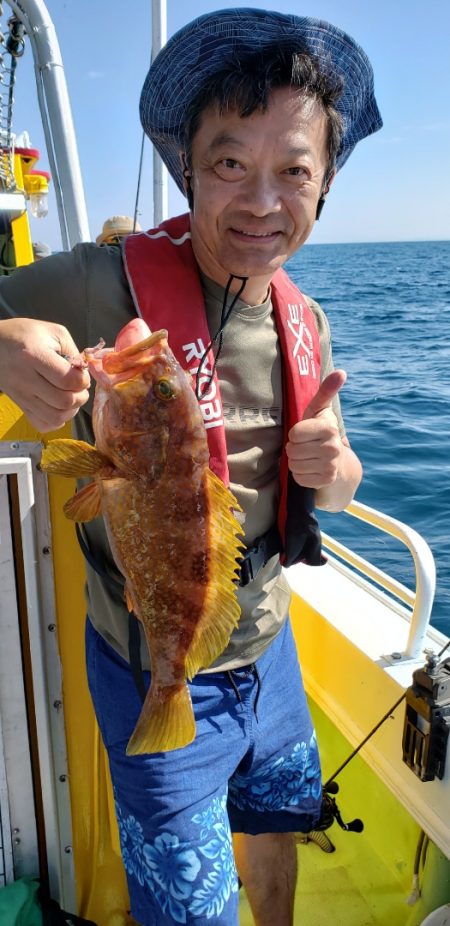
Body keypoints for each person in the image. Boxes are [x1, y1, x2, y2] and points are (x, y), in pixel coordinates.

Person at [0, 9, 382, 926]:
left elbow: (329, 490)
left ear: (324, 184)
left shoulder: (308, 322)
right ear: (188, 170)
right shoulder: (98, 284)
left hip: (271, 646)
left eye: (293, 170)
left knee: (276, 828)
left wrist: (339, 469)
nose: (261, 201)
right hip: (154, 664)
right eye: (229, 164)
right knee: (186, 909)